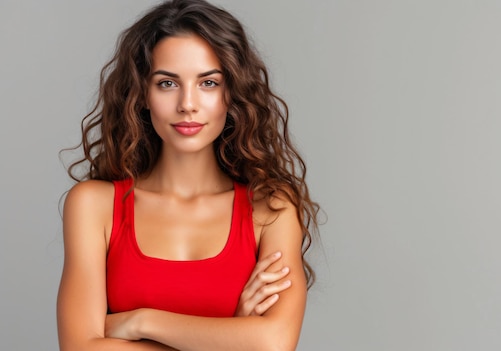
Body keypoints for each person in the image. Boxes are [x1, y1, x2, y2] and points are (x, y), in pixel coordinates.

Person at [56, 0, 320, 350]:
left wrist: (140, 320)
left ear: (232, 93)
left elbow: (273, 343)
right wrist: (230, 337)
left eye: (208, 83)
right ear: (142, 94)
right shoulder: (94, 205)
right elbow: (80, 348)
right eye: (167, 83)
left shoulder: (270, 209)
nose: (188, 104)